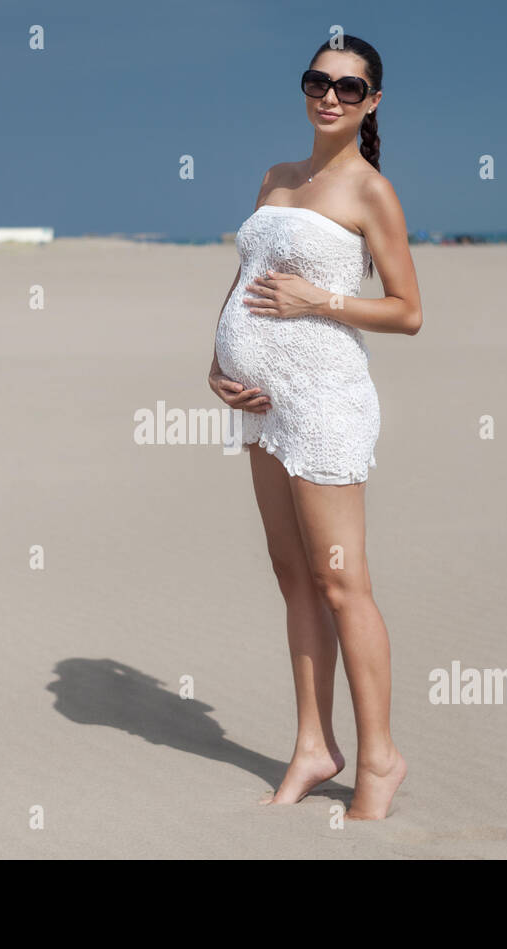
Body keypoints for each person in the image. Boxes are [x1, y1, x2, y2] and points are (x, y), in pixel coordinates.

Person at [207, 35, 422, 820]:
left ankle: (381, 757)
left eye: (350, 87)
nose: (331, 96)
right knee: (292, 574)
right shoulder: (277, 177)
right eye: (318, 82)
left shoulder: (371, 192)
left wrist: (318, 302)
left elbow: (409, 311)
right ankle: (311, 745)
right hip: (264, 404)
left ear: (372, 100)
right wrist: (217, 362)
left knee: (341, 582)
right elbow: (244, 281)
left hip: (326, 402)